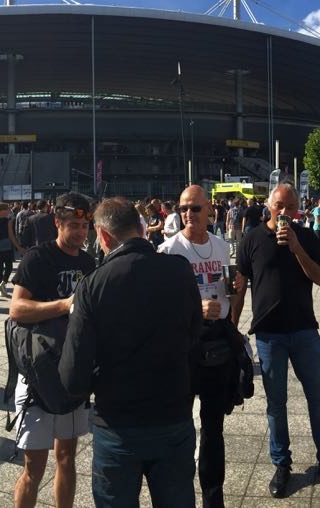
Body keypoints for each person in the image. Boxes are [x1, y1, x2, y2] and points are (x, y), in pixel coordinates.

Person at [59, 197, 202, 508]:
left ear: (105, 236)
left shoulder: (93, 285)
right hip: (173, 416)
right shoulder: (180, 271)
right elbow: (194, 334)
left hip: (119, 426)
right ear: (140, 229)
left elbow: (72, 378)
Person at [235, 184, 320, 498]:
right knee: (276, 404)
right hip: (269, 335)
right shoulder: (252, 239)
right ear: (268, 206)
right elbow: (240, 285)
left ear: (299, 209)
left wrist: (298, 248)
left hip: (304, 330)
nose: (285, 213)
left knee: (317, 396)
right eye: (279, 206)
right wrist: (232, 330)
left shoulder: (308, 237)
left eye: (291, 207)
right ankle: (282, 463)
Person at [9, 193, 95, 508]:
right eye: (74, 225)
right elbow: (16, 309)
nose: (81, 232)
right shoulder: (38, 257)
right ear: (57, 223)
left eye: (85, 226)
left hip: (72, 370)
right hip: (37, 373)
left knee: (67, 456)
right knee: (34, 466)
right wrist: (64, 305)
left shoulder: (88, 262)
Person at [158, 185, 239, 508]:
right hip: (183, 344)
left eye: (195, 208)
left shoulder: (221, 247)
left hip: (217, 342)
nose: (188, 214)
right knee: (178, 424)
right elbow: (160, 303)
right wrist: (196, 307)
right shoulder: (168, 250)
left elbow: (227, 289)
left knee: (213, 426)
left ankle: (213, 497)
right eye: (183, 209)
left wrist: (233, 300)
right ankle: (178, 492)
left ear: (210, 210)